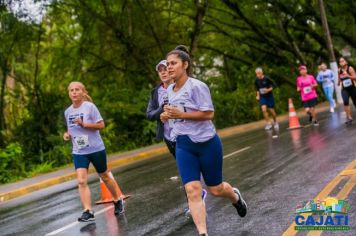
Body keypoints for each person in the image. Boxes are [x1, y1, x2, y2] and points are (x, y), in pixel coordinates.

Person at [160, 48, 247, 235]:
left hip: (207, 144)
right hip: (183, 144)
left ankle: (235, 196)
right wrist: (166, 116)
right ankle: (203, 232)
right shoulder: (169, 89)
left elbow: (209, 114)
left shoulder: (197, 86)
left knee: (216, 189)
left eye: (173, 63)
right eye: (167, 64)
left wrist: (181, 114)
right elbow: (176, 113)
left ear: (185, 64)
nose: (169, 67)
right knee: (192, 189)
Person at [146, 56, 207, 217]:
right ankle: (196, 197)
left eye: (165, 68)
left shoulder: (180, 87)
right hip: (169, 136)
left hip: (186, 133)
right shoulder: (156, 92)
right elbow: (150, 114)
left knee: (190, 168)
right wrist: (162, 109)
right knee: (185, 169)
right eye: (160, 70)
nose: (163, 72)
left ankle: (196, 197)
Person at [63, 81, 124, 222]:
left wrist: (84, 124)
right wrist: (67, 134)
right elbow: (71, 129)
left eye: (77, 89)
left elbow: (101, 125)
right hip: (79, 151)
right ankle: (88, 211)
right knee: (81, 181)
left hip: (95, 148)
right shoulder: (68, 112)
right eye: (71, 90)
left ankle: (117, 199)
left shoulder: (90, 107)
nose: (74, 92)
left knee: (105, 176)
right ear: (69, 94)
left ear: (83, 92)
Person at [338, 57, 356, 124]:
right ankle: (349, 118)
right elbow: (339, 77)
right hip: (344, 89)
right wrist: (338, 82)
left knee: (355, 102)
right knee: (345, 101)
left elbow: (355, 77)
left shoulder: (350, 68)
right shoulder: (339, 70)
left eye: (343, 61)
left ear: (346, 62)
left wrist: (348, 76)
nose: (341, 62)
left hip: (352, 88)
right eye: (340, 62)